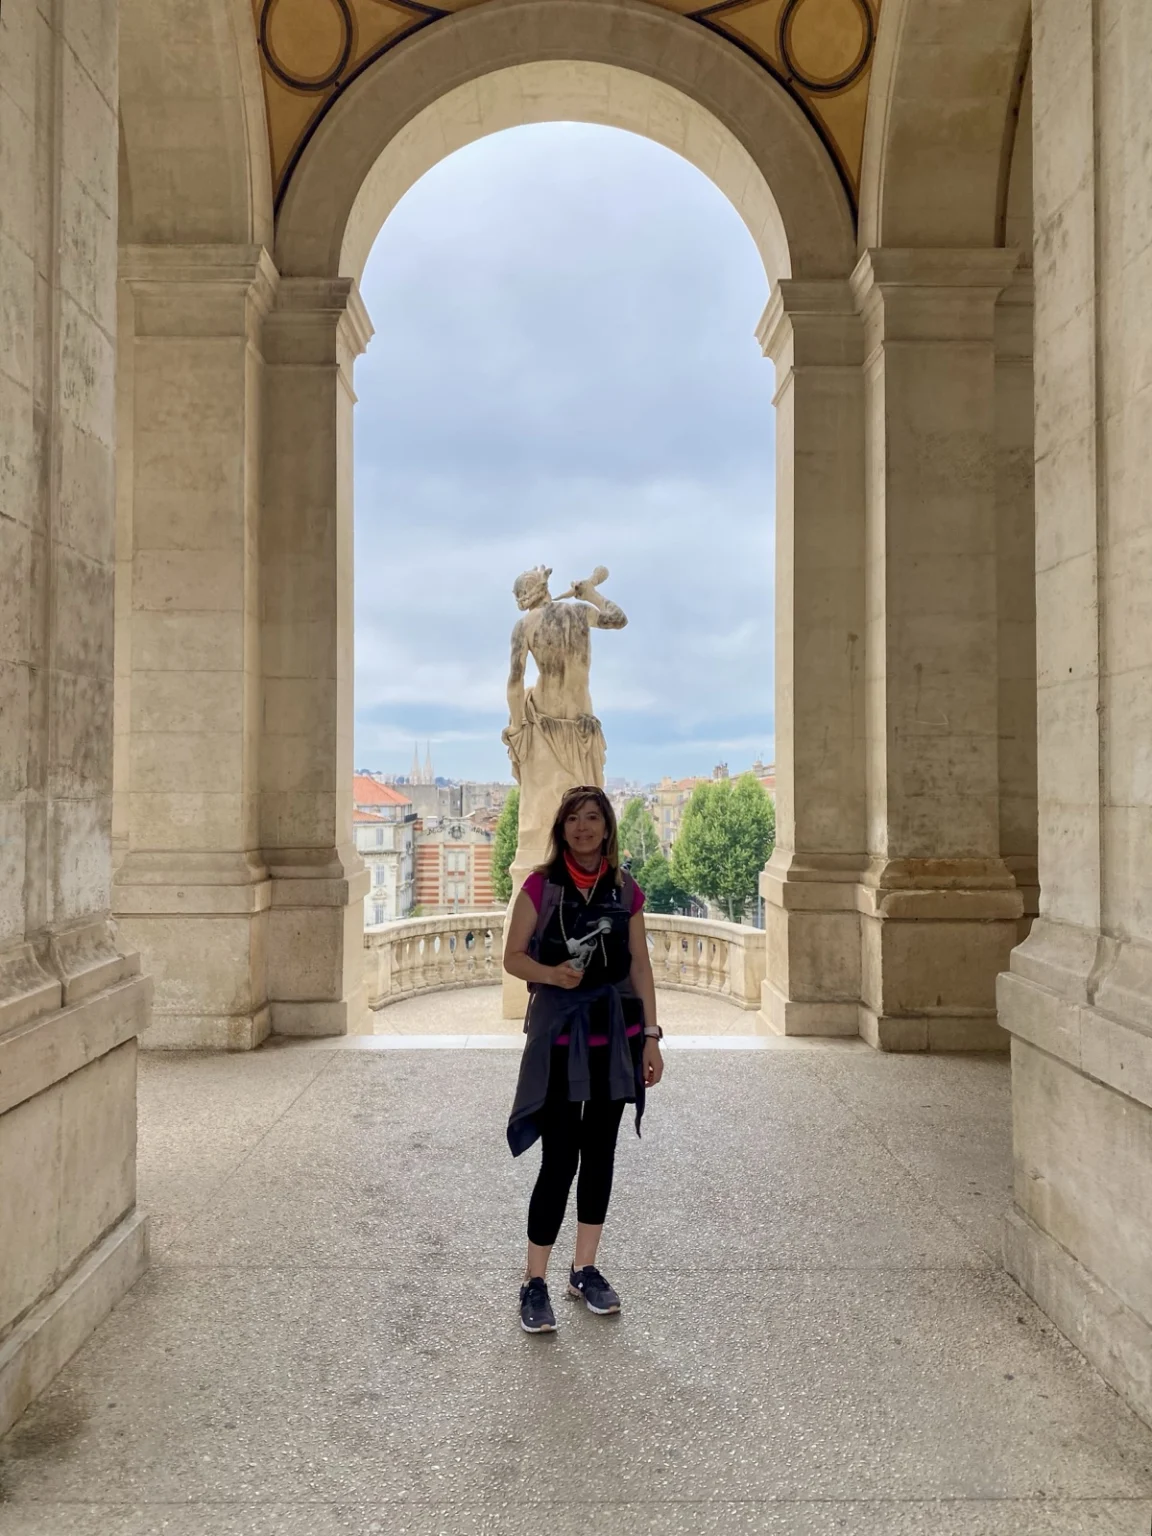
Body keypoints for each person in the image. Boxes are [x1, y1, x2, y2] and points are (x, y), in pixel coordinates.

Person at [504, 785, 663, 1334]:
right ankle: (535, 1280)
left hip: (614, 1038)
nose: (583, 827)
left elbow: (639, 965)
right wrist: (552, 975)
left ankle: (584, 1269)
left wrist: (652, 1037)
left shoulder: (626, 889)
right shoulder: (539, 886)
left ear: (607, 827)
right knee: (558, 1160)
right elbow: (513, 958)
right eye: (573, 818)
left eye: (592, 817)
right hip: (559, 1040)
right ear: (561, 828)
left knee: (599, 1156)